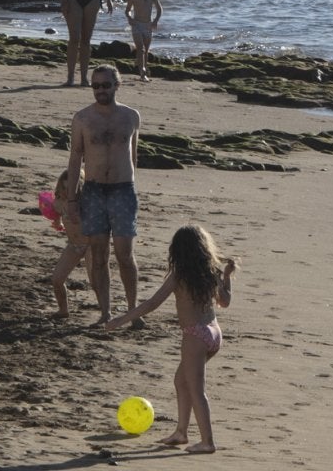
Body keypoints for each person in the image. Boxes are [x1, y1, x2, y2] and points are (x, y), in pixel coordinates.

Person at [101, 225, 236, 453]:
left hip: (195, 335)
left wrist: (120, 320)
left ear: (178, 251)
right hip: (214, 333)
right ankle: (181, 432)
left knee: (196, 390)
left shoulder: (179, 276)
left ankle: (208, 442)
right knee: (181, 381)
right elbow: (225, 302)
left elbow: (152, 304)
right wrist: (227, 276)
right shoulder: (211, 272)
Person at [66, 65, 141, 326]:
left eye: (105, 85)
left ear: (116, 85)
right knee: (98, 255)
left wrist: (132, 187)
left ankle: (132, 311)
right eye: (95, 86)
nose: (100, 91)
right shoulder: (83, 119)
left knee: (125, 254)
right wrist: (72, 199)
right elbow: (75, 159)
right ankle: (105, 312)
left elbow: (133, 156)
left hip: (123, 190)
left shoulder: (131, 116)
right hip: (94, 191)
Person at [45, 168, 91, 319]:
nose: (68, 192)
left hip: (91, 244)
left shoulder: (87, 202)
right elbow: (54, 213)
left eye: (73, 188)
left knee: (96, 281)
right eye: (65, 188)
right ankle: (63, 310)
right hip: (73, 245)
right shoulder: (59, 203)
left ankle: (105, 312)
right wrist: (57, 222)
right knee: (57, 279)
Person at [124, 0, 162, 83]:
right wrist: (129, 18)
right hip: (136, 25)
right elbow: (127, 10)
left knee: (145, 50)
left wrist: (155, 20)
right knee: (140, 49)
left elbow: (159, 9)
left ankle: (143, 68)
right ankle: (142, 72)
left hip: (148, 25)